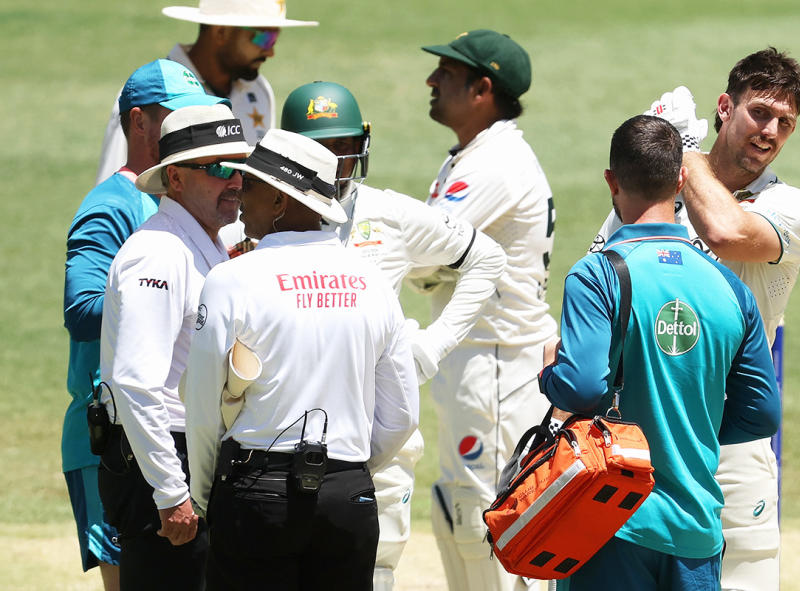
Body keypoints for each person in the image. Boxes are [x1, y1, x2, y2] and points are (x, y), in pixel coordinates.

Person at [590, 48, 800, 591]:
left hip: (733, 451)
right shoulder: (653, 193)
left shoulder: (788, 205)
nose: (770, 131)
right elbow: (600, 289)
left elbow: (725, 231)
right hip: (641, 442)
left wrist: (682, 152)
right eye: (760, 112)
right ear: (724, 107)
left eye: (785, 122)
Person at [280, 81, 507, 590]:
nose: (336, 163)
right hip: (284, 439)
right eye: (322, 150)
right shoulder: (260, 219)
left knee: (372, 575)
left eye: (344, 148)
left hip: (378, 443)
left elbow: (486, 258)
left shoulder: (386, 213)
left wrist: (429, 348)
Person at [541, 115, 781, 590]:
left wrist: (550, 371)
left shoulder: (595, 275)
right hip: (696, 530)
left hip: (607, 524)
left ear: (611, 180)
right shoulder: (730, 288)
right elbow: (762, 414)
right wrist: (694, 429)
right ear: (680, 180)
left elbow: (583, 387)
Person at [183, 129, 419, 590]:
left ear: (278, 201)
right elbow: (402, 415)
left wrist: (207, 492)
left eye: (249, 184)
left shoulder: (231, 279)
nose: (238, 191)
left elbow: (201, 408)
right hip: (348, 496)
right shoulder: (373, 284)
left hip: (255, 492)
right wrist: (347, 472)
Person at [62, 59, 228, 591]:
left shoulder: (191, 211)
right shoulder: (111, 207)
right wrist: (158, 302)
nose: (188, 130)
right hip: (119, 435)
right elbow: (81, 307)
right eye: (177, 117)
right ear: (139, 122)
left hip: (164, 433)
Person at [419, 29, 556, 591]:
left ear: (483, 88)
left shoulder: (495, 163)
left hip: (497, 368)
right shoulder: (477, 155)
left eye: (446, 75)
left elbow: (424, 252)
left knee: (488, 520)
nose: (431, 81)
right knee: (461, 511)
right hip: (480, 363)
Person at [97, 103, 251, 590]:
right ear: (177, 179)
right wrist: (170, 492)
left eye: (240, 168)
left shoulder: (196, 245)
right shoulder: (159, 255)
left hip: (187, 456)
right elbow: (135, 383)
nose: (236, 182)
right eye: (219, 168)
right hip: (162, 464)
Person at [95, 0, 317, 184]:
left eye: (275, 37)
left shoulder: (259, 91)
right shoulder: (148, 98)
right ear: (221, 32)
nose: (271, 51)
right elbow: (116, 185)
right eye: (263, 37)